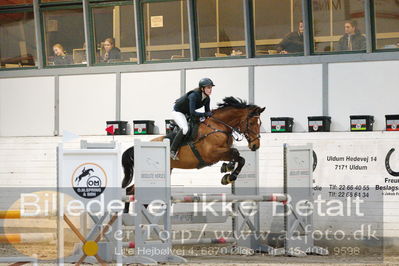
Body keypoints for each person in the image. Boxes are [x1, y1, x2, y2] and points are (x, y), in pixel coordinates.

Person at [170, 78, 214, 160]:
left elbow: (207, 113)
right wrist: (205, 114)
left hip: (187, 113)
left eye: (211, 87)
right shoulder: (193, 95)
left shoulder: (207, 99)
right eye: (208, 87)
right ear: (202, 88)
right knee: (185, 129)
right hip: (178, 112)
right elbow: (193, 113)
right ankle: (172, 150)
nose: (210, 89)